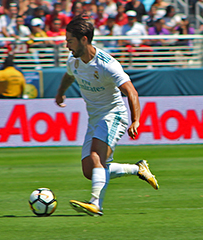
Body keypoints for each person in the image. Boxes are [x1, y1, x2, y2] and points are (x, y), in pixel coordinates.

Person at [54, 16, 158, 217]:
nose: (67, 45)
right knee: (89, 170)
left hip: (114, 114)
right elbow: (68, 75)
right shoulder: (74, 61)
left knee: (96, 156)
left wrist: (136, 120)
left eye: (70, 41)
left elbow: (132, 92)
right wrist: (60, 92)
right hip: (95, 118)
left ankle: (95, 204)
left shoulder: (107, 64)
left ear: (84, 39)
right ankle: (138, 169)